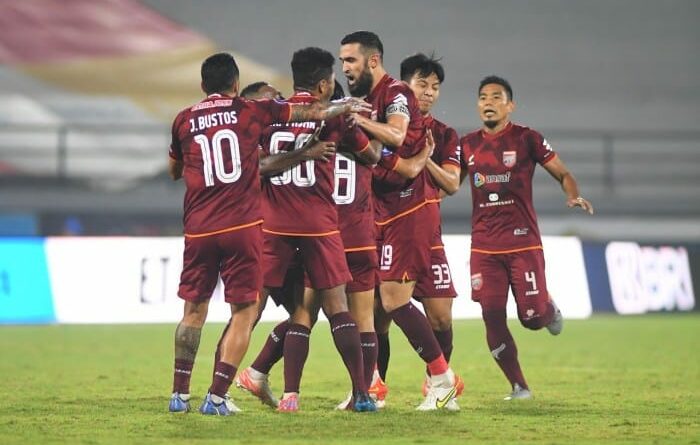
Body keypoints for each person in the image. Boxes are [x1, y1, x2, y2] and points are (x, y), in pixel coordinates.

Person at [167, 52, 370, 416]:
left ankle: (183, 395)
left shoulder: (184, 119)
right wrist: (343, 109)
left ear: (202, 86)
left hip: (227, 226)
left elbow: (176, 169)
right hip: (276, 226)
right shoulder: (253, 112)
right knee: (306, 308)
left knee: (205, 312)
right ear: (235, 85)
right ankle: (360, 393)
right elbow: (326, 120)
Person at [234, 47, 381, 413]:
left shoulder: (272, 114)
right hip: (319, 226)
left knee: (252, 311)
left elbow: (257, 166)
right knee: (337, 309)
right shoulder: (334, 118)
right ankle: (362, 393)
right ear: (323, 83)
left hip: (274, 225)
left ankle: (224, 391)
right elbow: (372, 157)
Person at [339, 31, 458, 411]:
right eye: (342, 61)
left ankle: (441, 378)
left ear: (372, 61)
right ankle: (370, 387)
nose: (345, 67)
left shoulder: (396, 94)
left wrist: (356, 120)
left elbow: (396, 133)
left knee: (393, 300)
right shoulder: (365, 99)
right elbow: (384, 156)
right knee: (372, 305)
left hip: (410, 211)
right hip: (380, 213)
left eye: (351, 60)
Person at [460, 75, 594, 400]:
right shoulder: (466, 145)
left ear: (510, 105)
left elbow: (563, 173)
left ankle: (548, 309)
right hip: (484, 247)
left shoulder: (527, 138)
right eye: (483, 97)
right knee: (491, 313)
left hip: (523, 243)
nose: (488, 102)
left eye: (496, 97)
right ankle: (519, 386)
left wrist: (573, 195)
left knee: (531, 318)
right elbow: (448, 184)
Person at [372, 53, 465, 404]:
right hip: (389, 227)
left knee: (441, 317)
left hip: (428, 231)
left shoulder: (444, 135)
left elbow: (453, 183)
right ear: (404, 87)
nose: (428, 93)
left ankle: (438, 389)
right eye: (421, 84)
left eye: (435, 87)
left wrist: (425, 161)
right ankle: (375, 389)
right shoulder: (389, 127)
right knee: (382, 314)